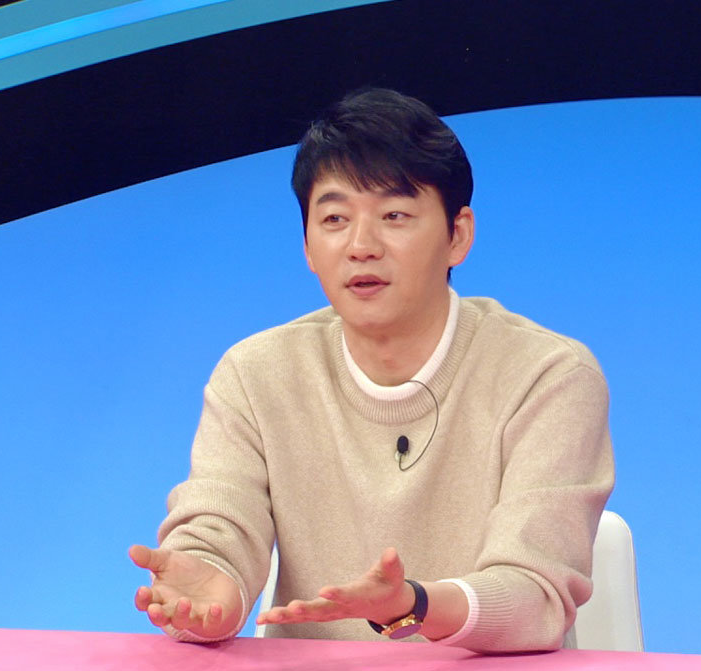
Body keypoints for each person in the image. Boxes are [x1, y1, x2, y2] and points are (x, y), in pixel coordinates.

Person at [129, 87, 615, 653]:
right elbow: (219, 526)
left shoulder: (548, 376)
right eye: (335, 218)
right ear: (308, 246)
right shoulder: (255, 375)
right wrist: (211, 592)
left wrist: (414, 605)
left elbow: (535, 593)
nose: (361, 245)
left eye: (394, 215)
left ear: (458, 235)